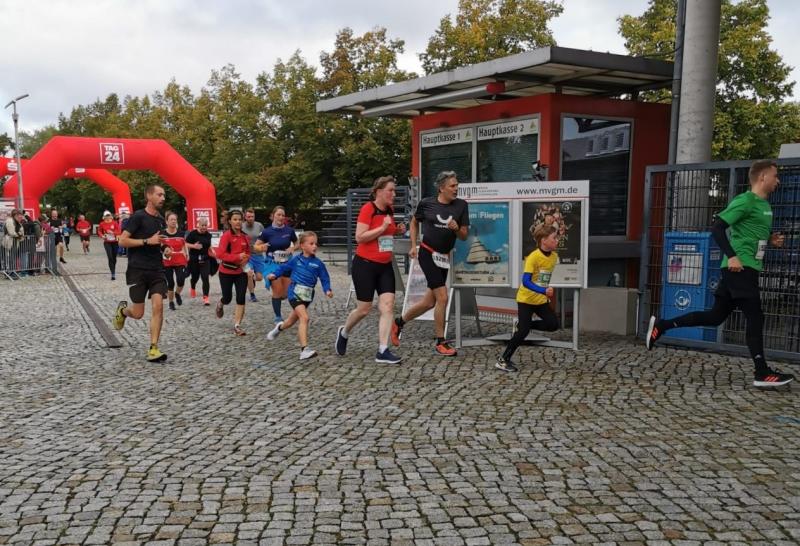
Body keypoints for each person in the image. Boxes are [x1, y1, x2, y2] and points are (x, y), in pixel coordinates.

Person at [646, 159, 794, 388]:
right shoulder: (745, 200)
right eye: (775, 176)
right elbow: (718, 227)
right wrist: (732, 256)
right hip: (740, 268)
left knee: (715, 317)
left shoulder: (763, 205)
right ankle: (762, 372)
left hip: (746, 267)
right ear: (762, 177)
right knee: (755, 316)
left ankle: (662, 326)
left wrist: (770, 238)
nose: (778, 181)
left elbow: (750, 230)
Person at [391, 171, 469, 356]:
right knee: (443, 297)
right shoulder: (427, 203)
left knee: (428, 302)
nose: (456, 188)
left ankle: (398, 323)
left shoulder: (461, 205)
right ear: (441, 188)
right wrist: (413, 245)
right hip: (427, 254)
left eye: (457, 185)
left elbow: (464, 236)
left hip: (443, 258)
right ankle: (440, 342)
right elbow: (414, 222)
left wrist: (457, 229)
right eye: (452, 186)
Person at [335, 176, 406, 364]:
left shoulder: (390, 209)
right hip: (365, 265)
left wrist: (396, 230)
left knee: (387, 306)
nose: (394, 194)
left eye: (394, 190)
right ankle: (344, 332)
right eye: (390, 190)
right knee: (364, 309)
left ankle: (383, 350)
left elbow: (387, 232)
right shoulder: (368, 209)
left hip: (385, 265)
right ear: (379, 191)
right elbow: (360, 237)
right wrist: (383, 228)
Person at [112, 184, 170, 362]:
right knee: (138, 314)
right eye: (159, 195)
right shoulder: (138, 217)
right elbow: (122, 241)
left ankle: (154, 348)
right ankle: (123, 311)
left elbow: (159, 242)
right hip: (137, 269)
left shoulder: (160, 220)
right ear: (149, 196)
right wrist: (146, 241)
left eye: (164, 195)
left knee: (158, 306)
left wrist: (165, 248)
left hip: (157, 269)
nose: (163, 198)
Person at [496, 224, 561, 372]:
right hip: (526, 299)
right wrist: (543, 290)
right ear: (544, 240)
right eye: (554, 238)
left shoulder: (554, 257)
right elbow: (526, 281)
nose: (557, 240)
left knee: (553, 324)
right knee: (523, 332)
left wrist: (545, 292)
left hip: (540, 300)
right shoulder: (533, 257)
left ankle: (523, 325)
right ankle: (503, 360)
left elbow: (543, 277)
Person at [266, 231, 332, 360]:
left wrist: (327, 289)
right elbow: (283, 268)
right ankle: (304, 350)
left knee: (290, 321)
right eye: (311, 243)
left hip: (307, 296)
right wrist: (274, 275)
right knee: (304, 318)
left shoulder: (318, 263)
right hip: (294, 293)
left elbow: (325, 278)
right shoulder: (296, 260)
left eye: (316, 243)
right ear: (302, 246)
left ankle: (279, 328)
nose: (315, 246)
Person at [254, 206, 298, 323]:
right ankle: (278, 317)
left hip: (287, 263)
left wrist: (293, 248)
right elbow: (256, 246)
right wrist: (261, 247)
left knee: (287, 293)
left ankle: (282, 299)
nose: (281, 217)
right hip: (272, 264)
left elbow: (297, 243)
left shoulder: (289, 231)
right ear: (273, 216)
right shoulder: (266, 232)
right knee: (277, 290)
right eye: (278, 215)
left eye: (283, 215)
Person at [214, 209, 250, 335]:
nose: (238, 222)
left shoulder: (245, 236)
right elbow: (220, 254)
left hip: (241, 272)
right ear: (230, 221)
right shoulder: (226, 236)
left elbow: (248, 252)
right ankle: (221, 303)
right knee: (228, 298)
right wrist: (237, 257)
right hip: (226, 272)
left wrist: (245, 259)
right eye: (235, 219)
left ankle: (237, 326)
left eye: (240, 219)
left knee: (241, 298)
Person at [161, 211, 189, 311]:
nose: (173, 221)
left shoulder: (181, 233)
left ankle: (177, 293)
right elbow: (160, 246)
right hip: (167, 262)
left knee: (181, 280)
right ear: (167, 221)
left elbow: (184, 245)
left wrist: (187, 255)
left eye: (175, 219)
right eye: (171, 219)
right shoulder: (162, 234)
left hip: (180, 260)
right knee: (171, 283)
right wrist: (164, 251)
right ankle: (171, 302)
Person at [186, 217, 213, 305]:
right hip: (194, 258)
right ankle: (193, 287)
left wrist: (213, 251)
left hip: (205, 258)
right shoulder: (193, 234)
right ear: (198, 225)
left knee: (205, 277)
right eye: (202, 225)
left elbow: (208, 245)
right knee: (195, 277)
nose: (204, 227)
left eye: (205, 225)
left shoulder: (208, 235)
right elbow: (185, 244)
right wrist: (194, 246)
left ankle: (206, 297)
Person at [241, 208, 265, 303]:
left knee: (259, 277)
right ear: (245, 217)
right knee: (249, 274)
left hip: (258, 255)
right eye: (248, 216)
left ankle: (252, 279)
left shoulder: (259, 226)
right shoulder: (241, 226)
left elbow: (264, 237)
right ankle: (252, 295)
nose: (250, 218)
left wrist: (263, 246)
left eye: (252, 216)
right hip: (247, 255)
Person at [96, 210, 121, 280]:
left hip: (115, 242)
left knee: (114, 258)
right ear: (104, 217)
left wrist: (113, 233)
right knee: (110, 257)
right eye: (106, 216)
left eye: (108, 215)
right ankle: (113, 273)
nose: (107, 217)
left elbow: (119, 231)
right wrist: (102, 236)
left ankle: (113, 268)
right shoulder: (102, 223)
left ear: (111, 216)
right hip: (107, 242)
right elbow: (99, 231)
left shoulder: (115, 223)